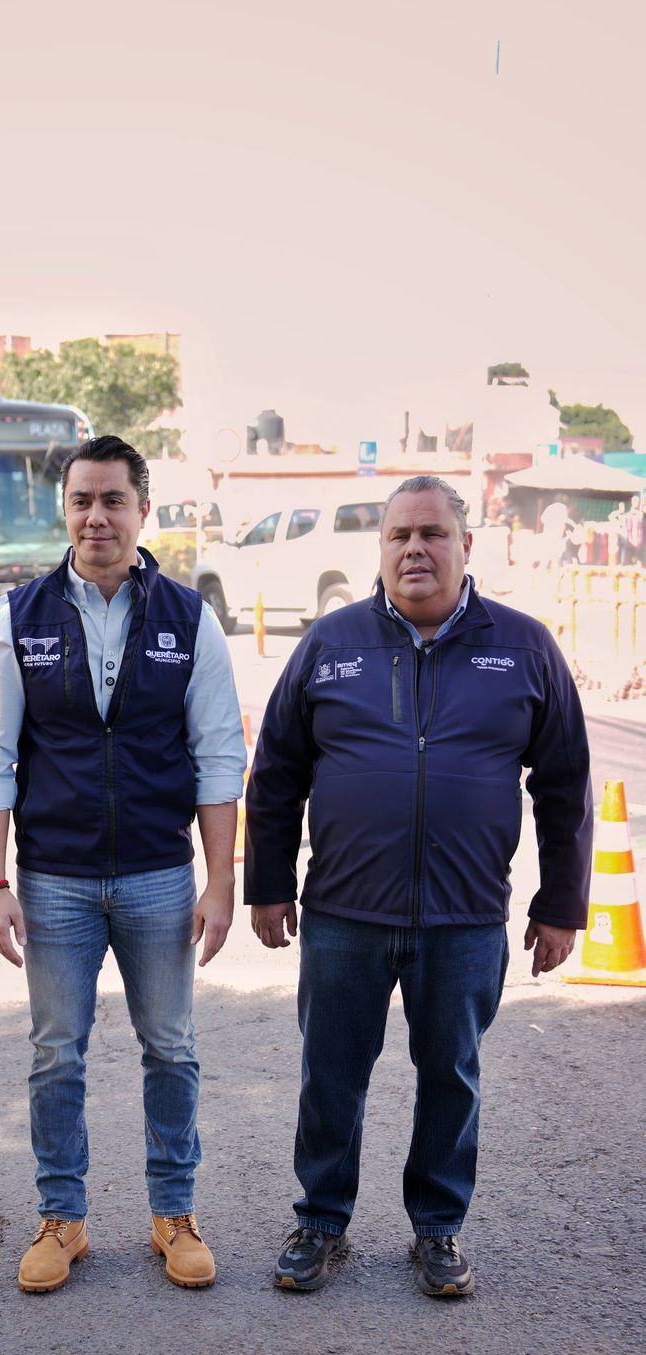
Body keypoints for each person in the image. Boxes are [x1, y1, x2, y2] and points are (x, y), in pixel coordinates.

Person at [245, 475, 592, 1298]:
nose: (414, 549)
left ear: (466, 546)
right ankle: (321, 1221)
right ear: (381, 548)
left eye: (432, 534)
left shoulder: (525, 647)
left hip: (465, 916)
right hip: (345, 912)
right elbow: (278, 773)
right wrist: (268, 884)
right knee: (331, 1075)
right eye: (399, 535)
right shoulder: (330, 643)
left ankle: (438, 1229)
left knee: (452, 1077)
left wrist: (560, 906)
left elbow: (566, 786)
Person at [0, 435, 245, 1293]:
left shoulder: (190, 618)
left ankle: (173, 1214)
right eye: (81, 500)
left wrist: (221, 880)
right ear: (66, 510)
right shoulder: (18, 618)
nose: (96, 517)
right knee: (57, 1054)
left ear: (143, 510)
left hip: (160, 875)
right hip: (55, 879)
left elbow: (219, 756)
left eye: (113, 500)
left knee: (172, 1049)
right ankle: (63, 1219)